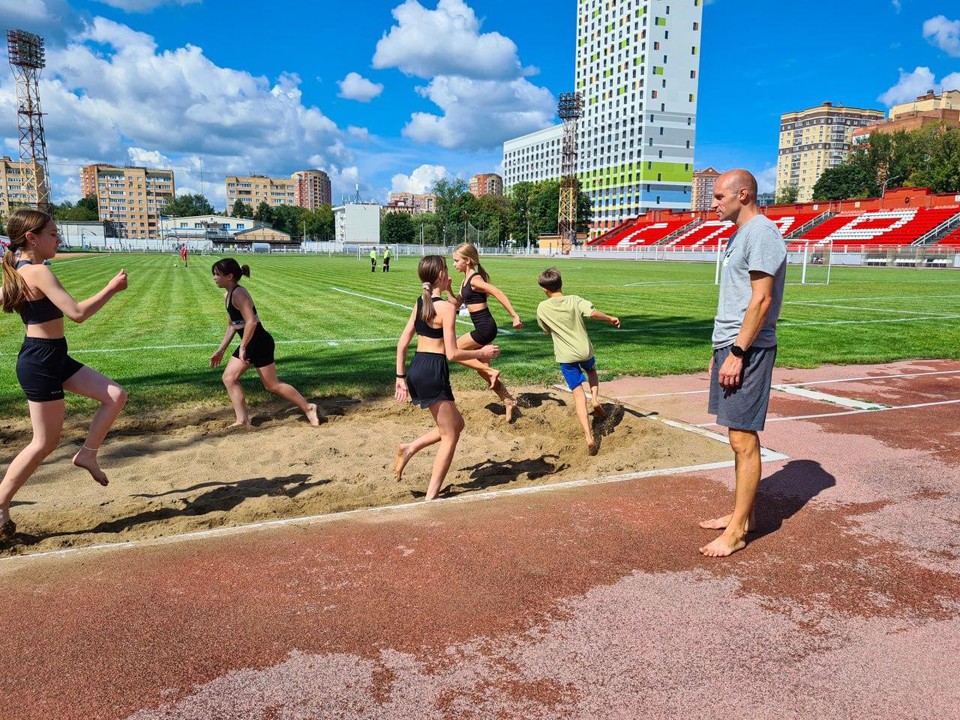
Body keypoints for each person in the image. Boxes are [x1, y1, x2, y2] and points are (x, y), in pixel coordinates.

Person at [0, 208, 129, 542]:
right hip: (41, 362)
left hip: (53, 356)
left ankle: (87, 453)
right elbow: (77, 313)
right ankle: (0, 505)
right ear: (32, 238)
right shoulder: (37, 271)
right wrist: (112, 288)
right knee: (44, 442)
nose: (58, 239)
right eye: (53, 234)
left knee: (115, 395)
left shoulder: (18, 267)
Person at [698, 169, 787, 558]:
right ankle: (742, 516)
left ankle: (737, 532)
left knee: (742, 438)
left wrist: (737, 352)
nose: (713, 203)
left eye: (719, 197)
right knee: (736, 437)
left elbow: (762, 300)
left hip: (747, 349)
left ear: (743, 194)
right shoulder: (740, 234)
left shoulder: (761, 233)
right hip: (731, 345)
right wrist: (722, 348)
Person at [393, 255, 500, 500]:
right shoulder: (446, 308)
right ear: (441, 275)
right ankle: (431, 496)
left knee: (457, 425)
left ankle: (410, 448)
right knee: (450, 435)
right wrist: (481, 352)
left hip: (417, 368)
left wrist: (400, 377)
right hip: (433, 370)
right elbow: (452, 353)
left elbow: (402, 344)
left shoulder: (420, 302)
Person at [209, 258, 320, 428]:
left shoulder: (239, 294)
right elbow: (232, 325)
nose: (214, 278)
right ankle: (242, 421)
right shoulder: (227, 295)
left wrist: (243, 347)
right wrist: (221, 350)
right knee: (229, 378)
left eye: (217, 274)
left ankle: (309, 408)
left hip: (260, 343)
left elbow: (251, 322)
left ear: (230, 276)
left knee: (272, 385)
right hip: (251, 343)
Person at [535, 267, 620, 455]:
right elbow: (592, 313)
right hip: (584, 350)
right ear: (561, 284)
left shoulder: (542, 307)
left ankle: (589, 437)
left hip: (565, 356)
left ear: (544, 289)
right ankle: (596, 400)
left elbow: (546, 330)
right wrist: (609, 318)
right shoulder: (575, 300)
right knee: (592, 371)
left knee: (578, 395)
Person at [446, 242, 521, 421]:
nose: (454, 264)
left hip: (485, 328)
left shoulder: (475, 280)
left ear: (468, 261)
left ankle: (494, 374)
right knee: (483, 369)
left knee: (453, 351)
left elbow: (497, 292)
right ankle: (508, 400)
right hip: (484, 328)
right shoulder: (465, 280)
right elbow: (455, 304)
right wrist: (447, 288)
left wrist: (514, 316)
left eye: (456, 261)